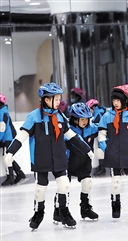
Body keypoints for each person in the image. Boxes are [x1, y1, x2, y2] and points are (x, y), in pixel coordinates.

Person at [4, 83, 94, 230]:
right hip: (41, 159)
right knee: (41, 188)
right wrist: (10, 152)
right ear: (47, 100)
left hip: (59, 158)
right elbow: (21, 136)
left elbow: (72, 136)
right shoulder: (34, 117)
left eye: (59, 99)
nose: (59, 102)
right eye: (56, 99)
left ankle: (63, 212)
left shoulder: (60, 116)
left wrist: (86, 149)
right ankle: (38, 213)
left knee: (64, 184)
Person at [97, 85, 128, 219]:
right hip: (113, 153)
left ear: (125, 100)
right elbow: (102, 133)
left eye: (118, 100)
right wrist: (104, 147)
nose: (115, 103)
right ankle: (115, 204)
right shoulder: (107, 116)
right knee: (116, 180)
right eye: (113, 100)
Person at [53, 102, 99, 224]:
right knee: (64, 186)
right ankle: (59, 210)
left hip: (84, 163)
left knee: (87, 183)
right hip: (68, 163)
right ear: (74, 119)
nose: (85, 122)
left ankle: (85, 208)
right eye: (82, 119)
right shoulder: (67, 131)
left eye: (87, 119)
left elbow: (104, 128)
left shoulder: (92, 128)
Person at [0, 94, 26, 186]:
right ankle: (20, 174)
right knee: (8, 156)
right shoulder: (3, 111)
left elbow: (2, 128)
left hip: (8, 137)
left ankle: (10, 177)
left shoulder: (1, 113)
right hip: (9, 137)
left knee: (6, 157)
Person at [86, 98, 107, 177]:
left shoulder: (98, 114)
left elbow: (96, 125)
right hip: (101, 134)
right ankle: (101, 167)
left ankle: (103, 169)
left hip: (104, 135)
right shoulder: (98, 113)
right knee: (100, 151)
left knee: (101, 151)